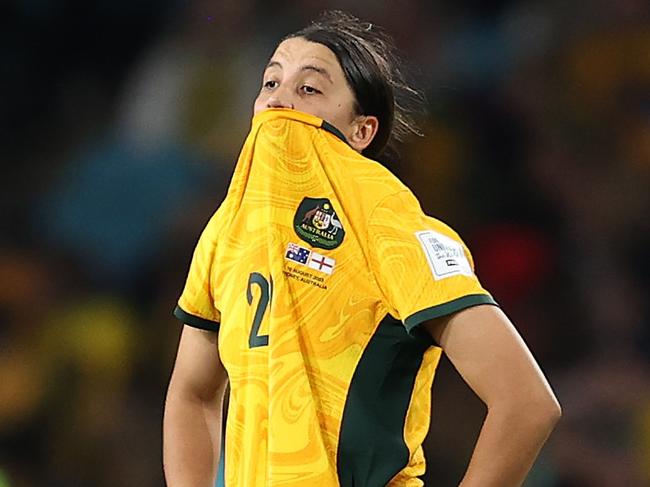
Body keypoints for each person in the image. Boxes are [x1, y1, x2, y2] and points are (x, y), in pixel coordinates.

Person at [163, 10, 561, 487]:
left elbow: (527, 402)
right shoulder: (227, 231)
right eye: (270, 83)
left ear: (361, 131)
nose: (279, 100)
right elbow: (192, 393)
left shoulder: (390, 227)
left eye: (309, 89)